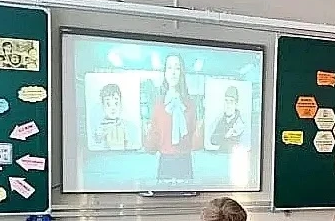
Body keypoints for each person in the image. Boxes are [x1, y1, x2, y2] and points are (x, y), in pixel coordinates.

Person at [145, 54, 201, 182]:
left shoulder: (190, 105)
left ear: (182, 73)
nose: (173, 72)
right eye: (169, 68)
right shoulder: (159, 104)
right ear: (165, 73)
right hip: (165, 162)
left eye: (177, 68)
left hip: (185, 162)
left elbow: (194, 139)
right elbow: (154, 139)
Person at [92, 83, 141, 151]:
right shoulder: (100, 129)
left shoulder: (130, 126)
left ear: (120, 104)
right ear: (103, 105)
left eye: (116, 103)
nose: (113, 108)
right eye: (108, 104)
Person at [209, 85, 245, 152]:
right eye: (226, 101)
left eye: (231, 101)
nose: (228, 105)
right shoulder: (221, 120)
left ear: (236, 104)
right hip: (221, 155)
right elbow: (213, 140)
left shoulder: (240, 123)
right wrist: (225, 136)